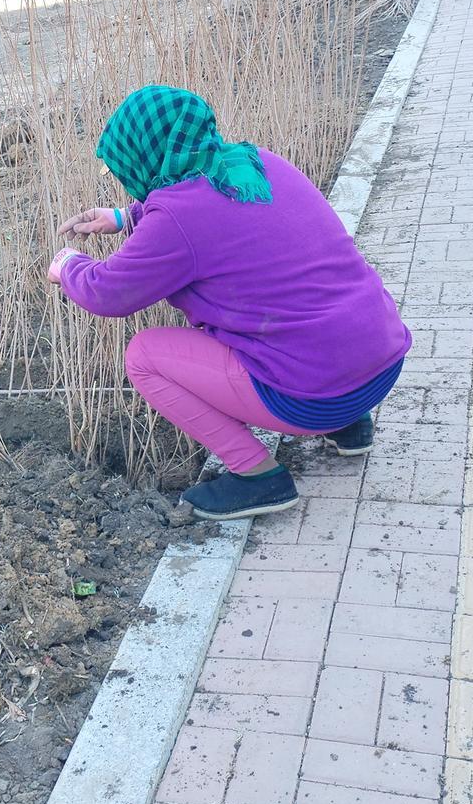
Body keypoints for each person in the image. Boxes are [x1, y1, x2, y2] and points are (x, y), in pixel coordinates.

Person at [47, 87, 411, 520]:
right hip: (381, 362)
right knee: (304, 309)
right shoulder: (254, 162)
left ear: (144, 154)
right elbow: (209, 212)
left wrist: (68, 265)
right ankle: (349, 426)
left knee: (143, 355)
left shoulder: (176, 221)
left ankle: (257, 477)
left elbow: (107, 292)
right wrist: (125, 217)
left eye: (120, 162)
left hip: (314, 396)